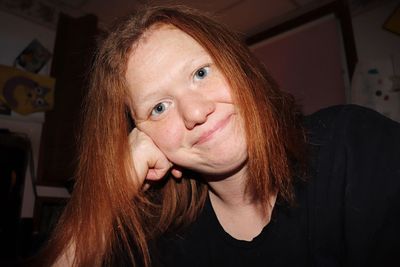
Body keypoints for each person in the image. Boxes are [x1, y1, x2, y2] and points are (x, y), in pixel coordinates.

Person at [36, 5, 400, 267]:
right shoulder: (161, 241)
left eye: (200, 73)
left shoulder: (353, 145)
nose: (195, 112)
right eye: (159, 108)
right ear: (142, 137)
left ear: (237, 65)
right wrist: (110, 190)